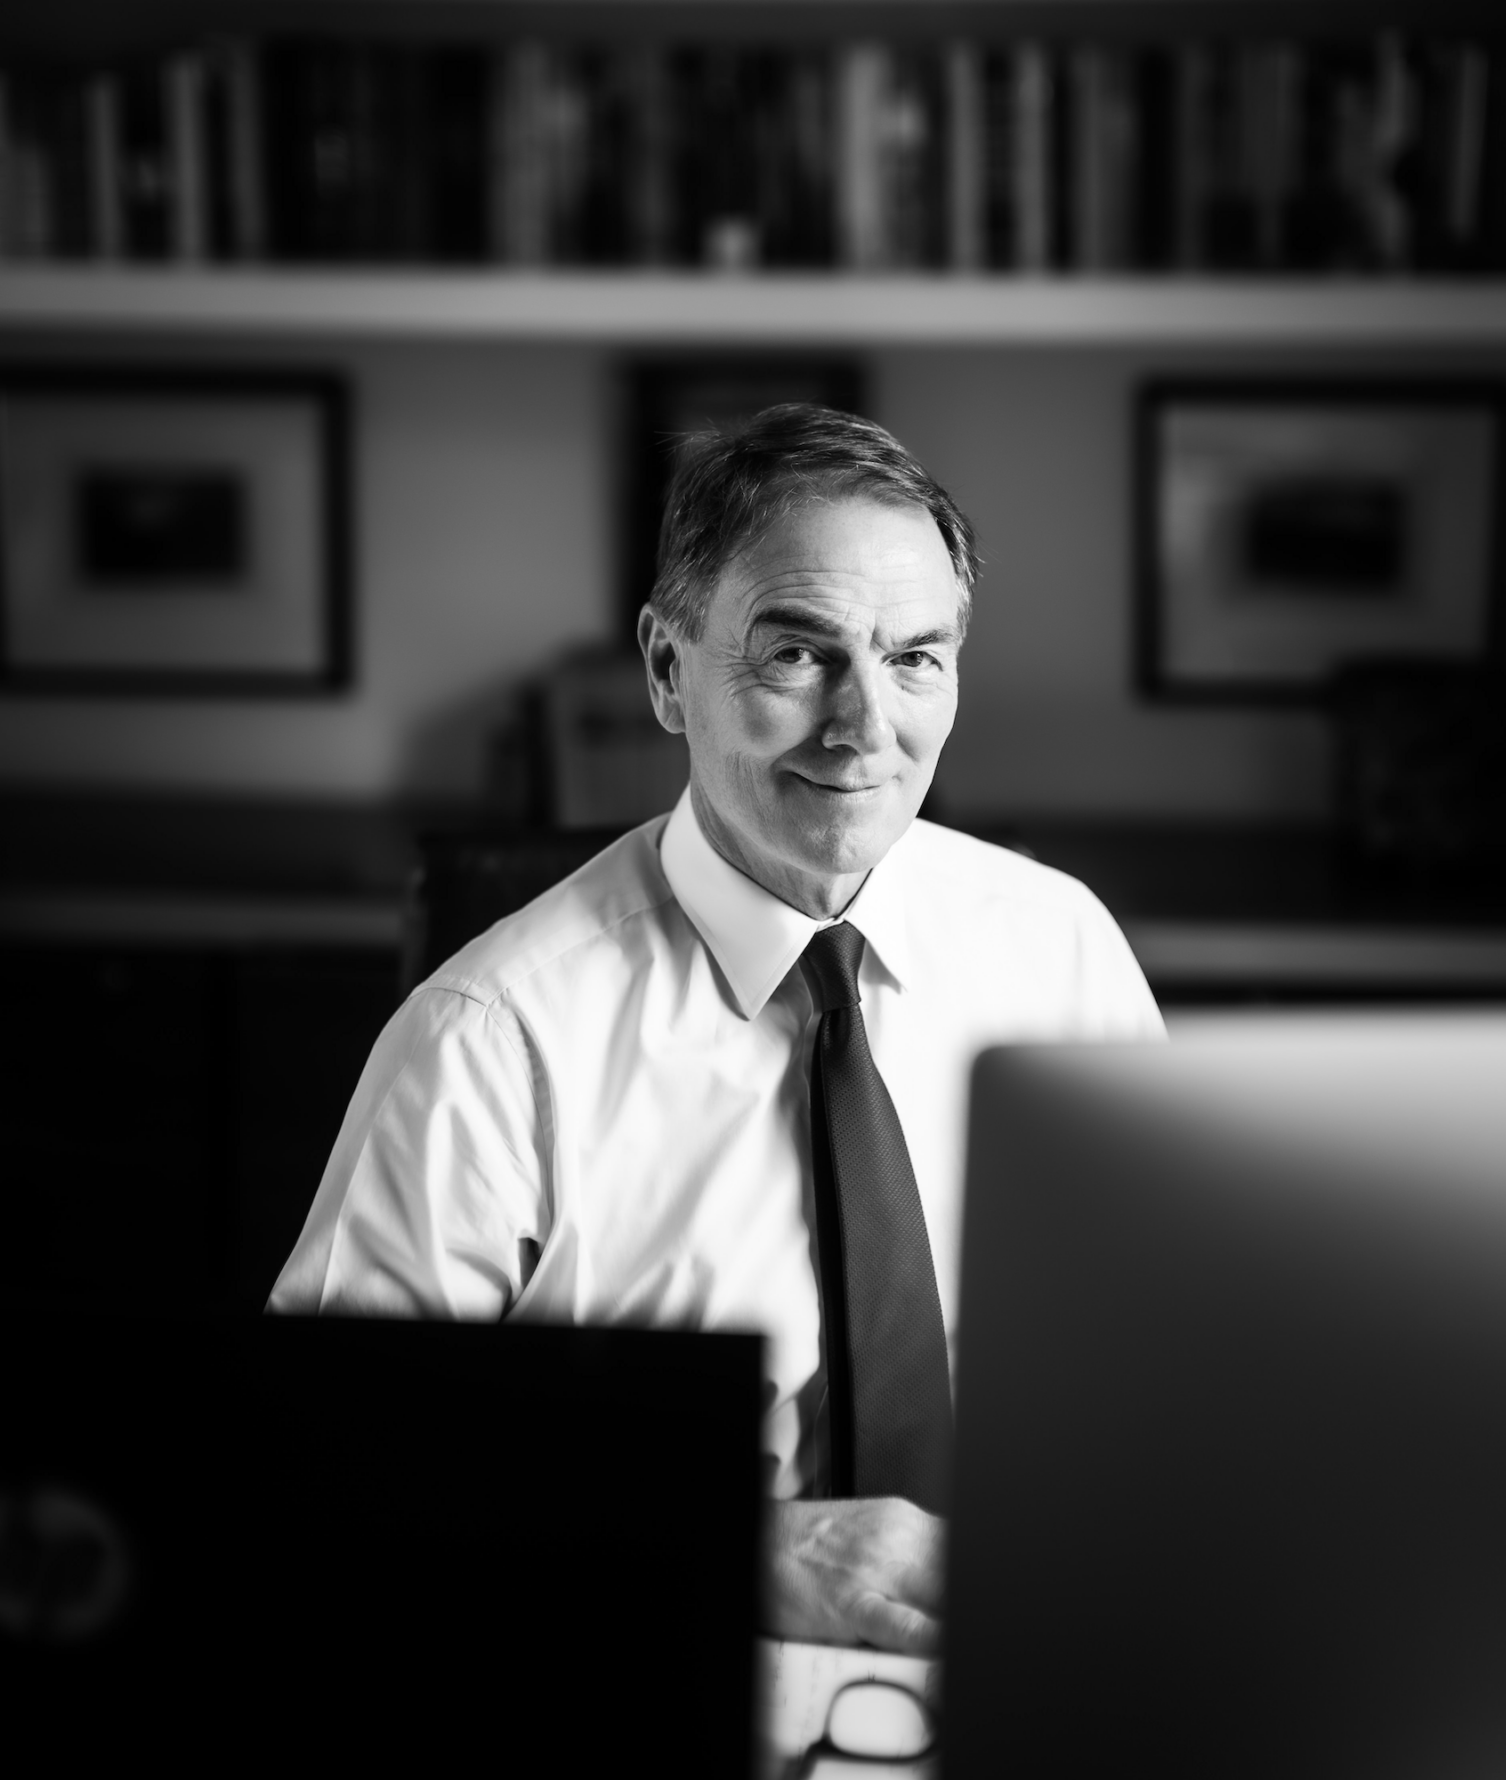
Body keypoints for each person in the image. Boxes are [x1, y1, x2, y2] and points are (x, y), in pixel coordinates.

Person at [270, 404, 1164, 1653]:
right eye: (797, 655)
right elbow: (323, 1470)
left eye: (915, 657)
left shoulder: (1056, 944)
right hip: (657, 1653)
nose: (864, 727)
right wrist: (752, 1551)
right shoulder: (488, 1038)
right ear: (665, 668)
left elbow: (1153, 1354)